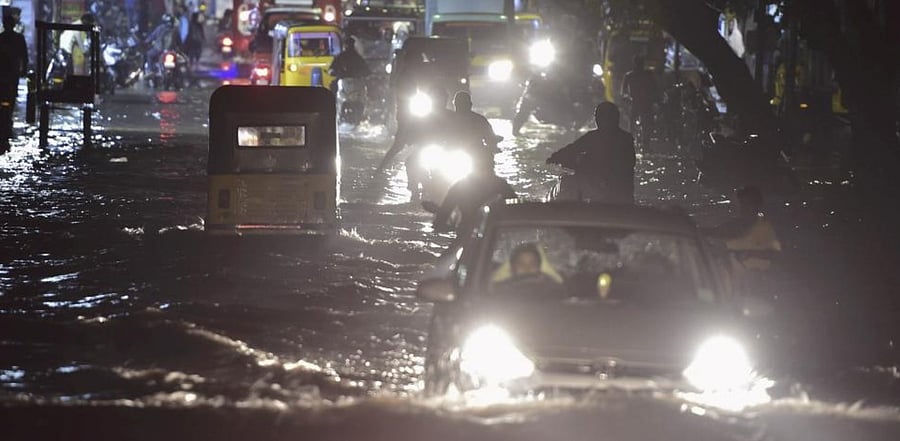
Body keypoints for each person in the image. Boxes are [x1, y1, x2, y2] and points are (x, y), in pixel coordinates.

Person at [546, 102, 636, 204]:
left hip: (606, 194)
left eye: (600, 117)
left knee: (567, 181)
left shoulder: (593, 138)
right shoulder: (627, 139)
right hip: (623, 196)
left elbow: (571, 150)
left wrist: (554, 158)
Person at [377, 86, 456, 202]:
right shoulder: (420, 118)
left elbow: (466, 136)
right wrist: (381, 168)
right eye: (437, 98)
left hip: (447, 153)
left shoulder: (454, 118)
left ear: (447, 99)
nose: (440, 101)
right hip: (424, 152)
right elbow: (401, 142)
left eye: (443, 98)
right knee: (411, 162)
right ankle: (414, 190)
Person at [428, 156, 516, 236]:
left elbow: (439, 223)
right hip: (492, 234)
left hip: (467, 234)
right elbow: (517, 210)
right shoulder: (500, 185)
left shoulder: (459, 186)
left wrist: (452, 228)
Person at [708, 186, 782, 271]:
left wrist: (749, 253)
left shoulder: (765, 228)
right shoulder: (731, 226)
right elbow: (712, 233)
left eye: (749, 203)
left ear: (757, 205)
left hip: (759, 278)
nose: (744, 207)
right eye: (742, 203)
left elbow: (775, 254)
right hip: (730, 278)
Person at [0, 12, 28, 153]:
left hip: (4, 74)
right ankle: (7, 120)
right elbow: (25, 56)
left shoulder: (1, 38)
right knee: (11, 98)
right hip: (12, 75)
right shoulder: (19, 38)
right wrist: (24, 70)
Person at [450, 91, 500, 165]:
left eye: (462, 104)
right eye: (460, 104)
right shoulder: (480, 119)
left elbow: (490, 139)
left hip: (473, 155)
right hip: (461, 155)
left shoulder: (448, 119)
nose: (461, 106)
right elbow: (490, 139)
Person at [620, 55, 661, 128]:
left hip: (646, 102)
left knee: (649, 120)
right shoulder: (629, 75)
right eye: (638, 63)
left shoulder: (648, 75)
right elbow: (623, 91)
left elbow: (655, 88)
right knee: (632, 118)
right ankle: (632, 134)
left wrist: (656, 98)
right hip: (634, 101)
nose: (639, 66)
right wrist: (626, 97)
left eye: (640, 63)